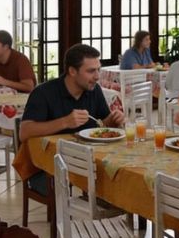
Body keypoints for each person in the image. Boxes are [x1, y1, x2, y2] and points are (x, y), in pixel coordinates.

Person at [19, 44, 126, 194]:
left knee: (118, 179)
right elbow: (24, 131)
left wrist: (113, 120)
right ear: (72, 71)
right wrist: (65, 122)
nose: (97, 76)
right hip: (48, 167)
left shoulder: (94, 90)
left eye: (98, 70)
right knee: (99, 184)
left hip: (88, 162)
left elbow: (101, 124)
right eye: (91, 71)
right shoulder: (43, 93)